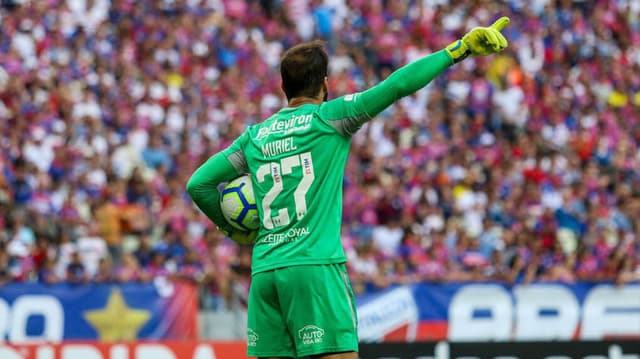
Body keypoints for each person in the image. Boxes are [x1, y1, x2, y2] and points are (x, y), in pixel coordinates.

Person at [187, 17, 510, 359]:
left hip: (265, 272)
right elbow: (397, 85)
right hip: (315, 267)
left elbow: (199, 184)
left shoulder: (255, 137)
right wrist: (457, 50)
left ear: (284, 87)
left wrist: (233, 230)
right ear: (325, 85)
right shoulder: (331, 118)